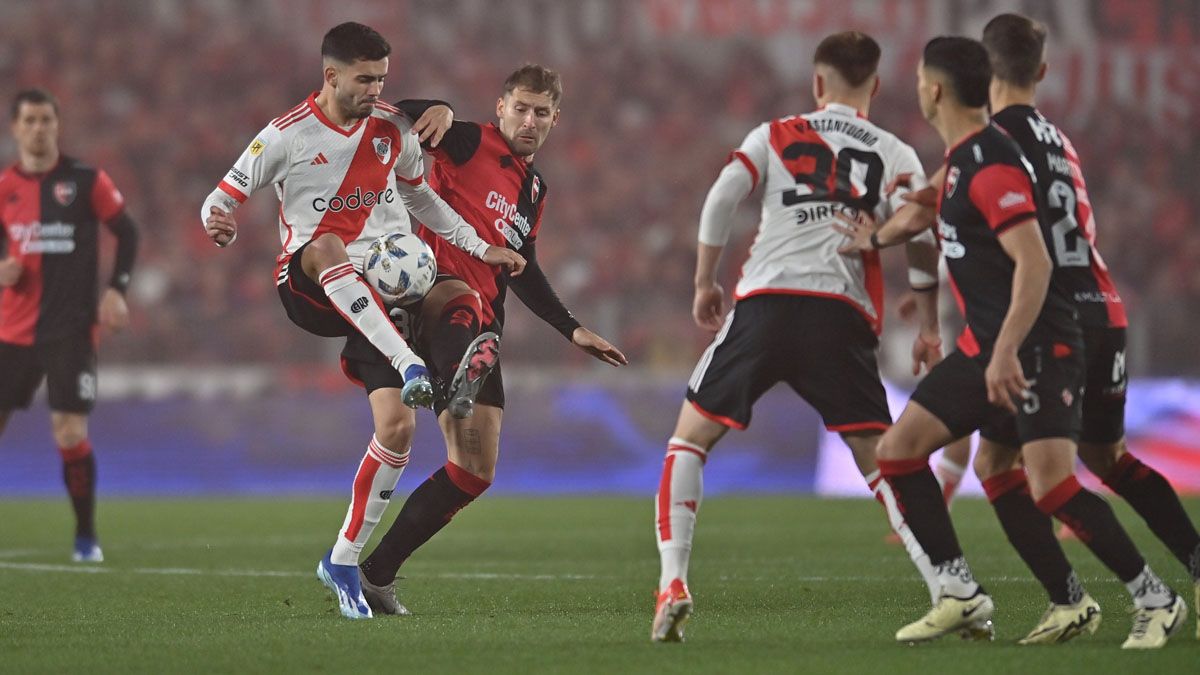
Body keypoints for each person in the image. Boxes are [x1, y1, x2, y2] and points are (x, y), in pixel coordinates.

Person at [838, 35, 1184, 648]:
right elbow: (923, 212)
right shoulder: (969, 157)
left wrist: (1004, 352)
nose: (915, 89)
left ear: (935, 90)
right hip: (990, 344)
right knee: (908, 451)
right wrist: (873, 239)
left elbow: (1035, 261)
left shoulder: (992, 159)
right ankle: (974, 594)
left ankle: (1156, 599)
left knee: (1054, 485)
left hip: (1035, 344)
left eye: (918, 80)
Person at [199, 22, 525, 620]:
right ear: (331, 76)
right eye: (365, 79)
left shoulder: (392, 130)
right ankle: (415, 366)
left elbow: (422, 198)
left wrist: (482, 248)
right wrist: (218, 221)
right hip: (310, 284)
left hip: (384, 292)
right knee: (326, 244)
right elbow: (221, 197)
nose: (377, 89)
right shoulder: (286, 135)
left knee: (446, 324)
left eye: (382, 78)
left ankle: (345, 560)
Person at [648, 31, 945, 643]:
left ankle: (673, 582)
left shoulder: (775, 133)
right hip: (840, 311)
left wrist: (705, 281)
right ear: (875, 85)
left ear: (817, 83)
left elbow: (722, 196)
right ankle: (948, 588)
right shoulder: (895, 151)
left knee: (689, 440)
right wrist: (930, 321)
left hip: (767, 301)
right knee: (882, 461)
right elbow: (920, 231)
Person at [354, 64, 628, 616]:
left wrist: (571, 328)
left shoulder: (534, 190)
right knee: (458, 317)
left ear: (555, 119)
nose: (529, 121)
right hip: (434, 299)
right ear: (501, 108)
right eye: (520, 109)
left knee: (474, 470)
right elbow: (398, 113)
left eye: (541, 113)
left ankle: (375, 575)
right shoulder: (469, 141)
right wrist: (439, 106)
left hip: (485, 322)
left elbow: (522, 266)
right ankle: (455, 369)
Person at [975, 12, 1198, 645]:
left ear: (985, 72)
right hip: (1106, 307)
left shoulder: (992, 141)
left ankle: (1132, 598)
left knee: (1039, 475)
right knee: (1103, 457)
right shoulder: (1061, 140)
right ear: (1042, 70)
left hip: (1054, 319)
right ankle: (1182, 565)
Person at [0, 88, 139, 563]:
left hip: (71, 331)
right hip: (12, 332)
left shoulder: (85, 180)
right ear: (15, 128)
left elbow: (127, 231)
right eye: (29, 121)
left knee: (69, 432)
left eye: (46, 120)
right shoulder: (5, 188)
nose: (38, 128)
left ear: (57, 125)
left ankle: (85, 537)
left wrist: (117, 289)